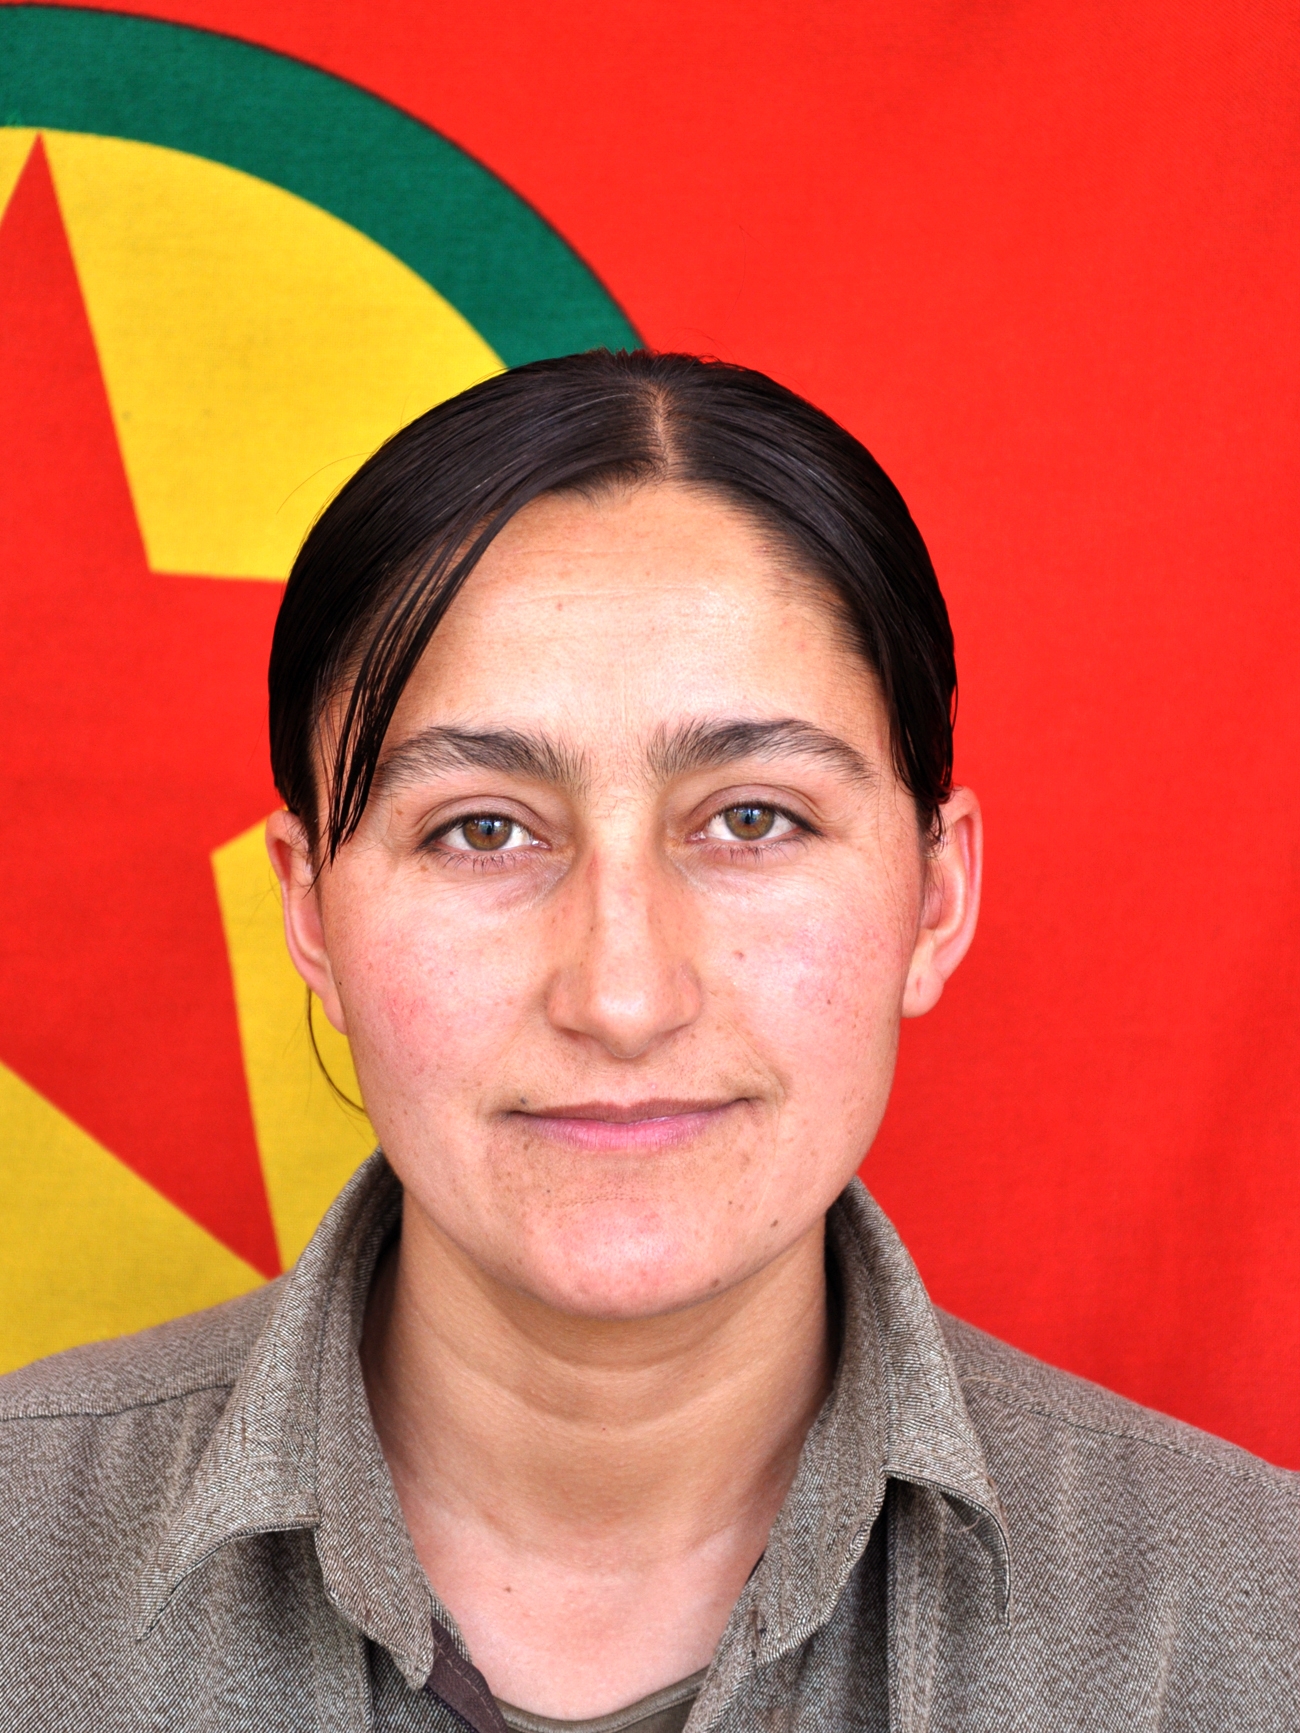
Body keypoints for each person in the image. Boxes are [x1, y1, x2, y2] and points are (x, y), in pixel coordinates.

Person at [0, 351, 1295, 1732]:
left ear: (936, 896)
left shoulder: (1243, 1622)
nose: (621, 996)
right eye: (482, 829)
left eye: (753, 819)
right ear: (310, 912)